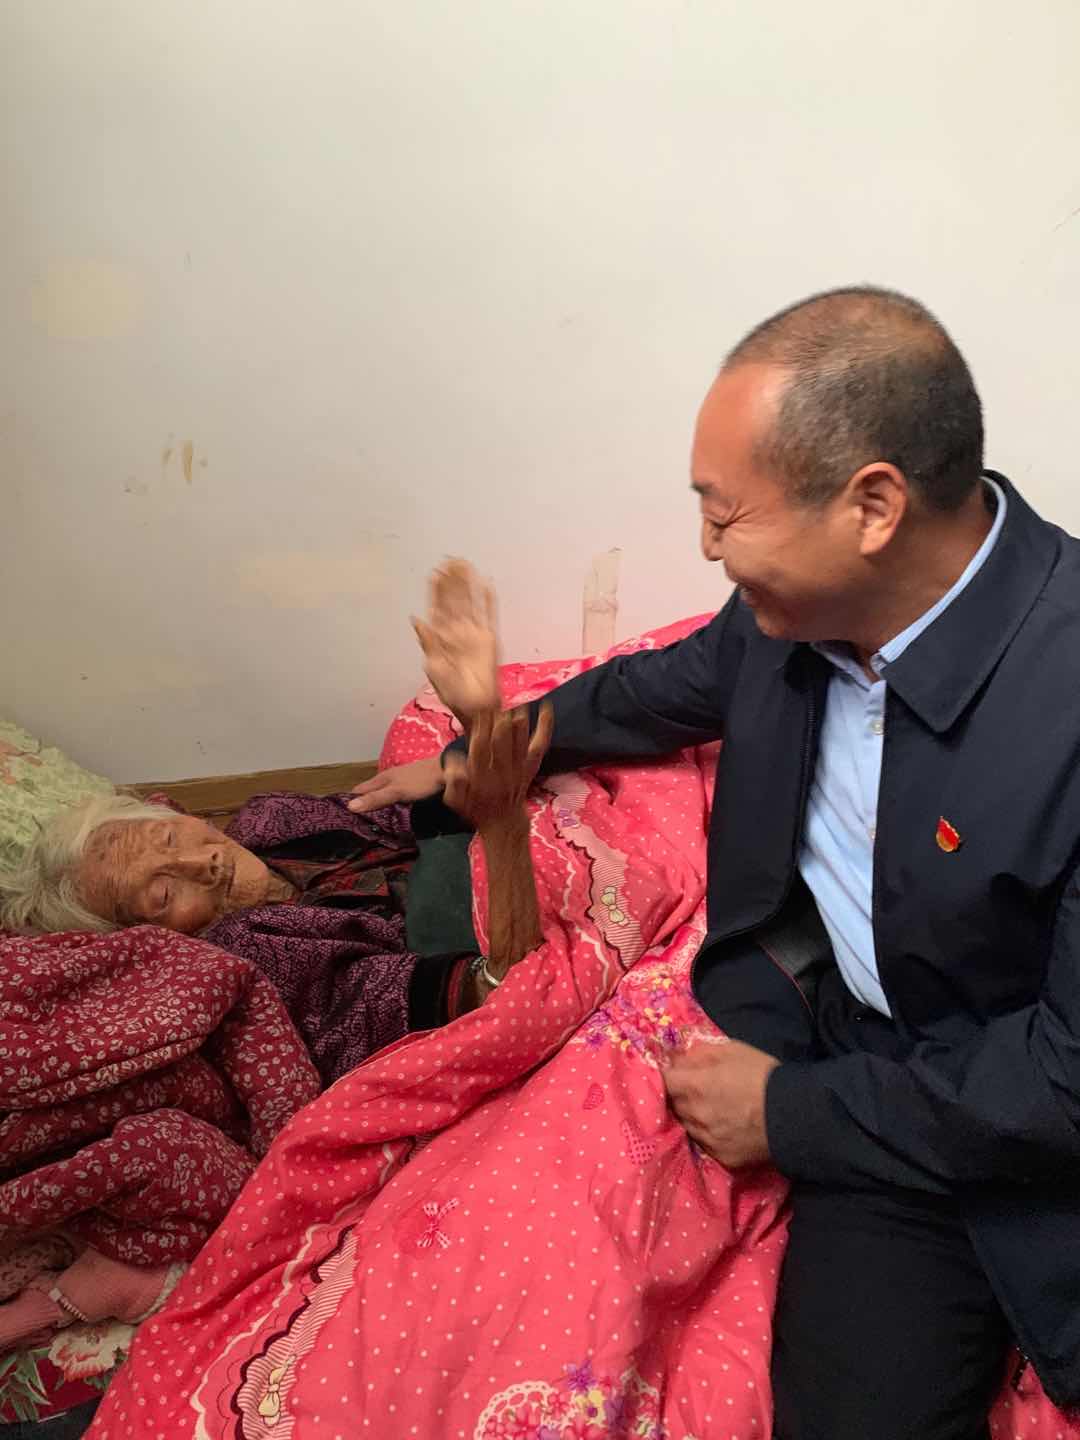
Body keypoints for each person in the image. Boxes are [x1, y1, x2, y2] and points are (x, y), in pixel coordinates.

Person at [350, 287, 1080, 1440]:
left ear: (873, 507)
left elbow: (1066, 1080)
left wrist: (790, 1112)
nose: (706, 547)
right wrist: (463, 765)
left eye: (724, 513)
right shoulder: (785, 624)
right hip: (875, 1085)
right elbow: (648, 692)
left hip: (1006, 1111)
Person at [1, 688, 554, 1087]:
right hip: (509, 937)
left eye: (168, 837)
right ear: (149, 942)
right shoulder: (252, 954)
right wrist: (501, 827)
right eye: (162, 894)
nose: (202, 861)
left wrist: (463, 759)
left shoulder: (268, 818)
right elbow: (486, 995)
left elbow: (410, 814)